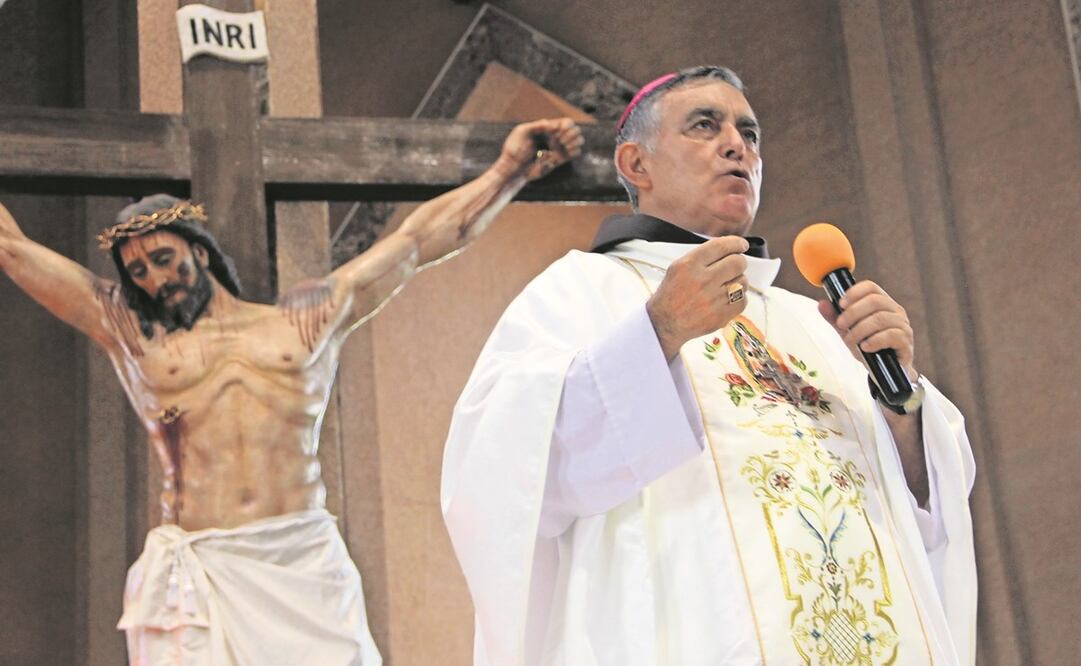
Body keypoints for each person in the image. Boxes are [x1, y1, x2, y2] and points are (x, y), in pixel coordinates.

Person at [442, 66, 976, 665]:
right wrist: (658, 333)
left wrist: (898, 403)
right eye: (705, 126)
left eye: (750, 134)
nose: (737, 146)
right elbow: (500, 472)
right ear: (635, 166)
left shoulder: (815, 321)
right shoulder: (578, 290)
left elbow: (930, 508)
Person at [0, 117, 583, 666]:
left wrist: (510, 169)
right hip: (200, 569)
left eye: (163, 259)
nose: (153, 279)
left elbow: (421, 240)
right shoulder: (134, 337)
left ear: (198, 252)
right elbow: (15, 250)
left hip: (300, 559)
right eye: (138, 272)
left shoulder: (301, 323)